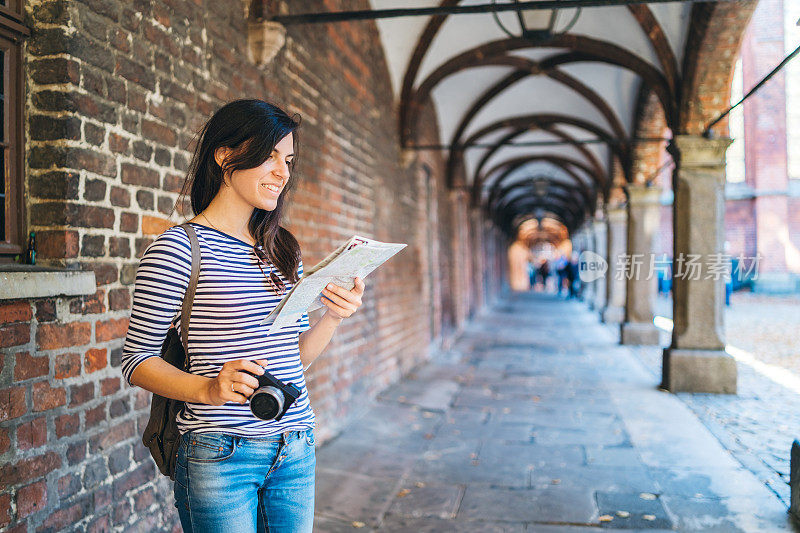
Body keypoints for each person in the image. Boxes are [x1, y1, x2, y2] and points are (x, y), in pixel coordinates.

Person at [120, 99, 365, 533]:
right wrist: (209, 388)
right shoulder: (178, 249)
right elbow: (137, 361)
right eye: (269, 156)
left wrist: (332, 317)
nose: (282, 172)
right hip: (219, 454)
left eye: (287, 160)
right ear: (225, 154)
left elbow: (295, 358)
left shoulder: (282, 249)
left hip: (296, 446)